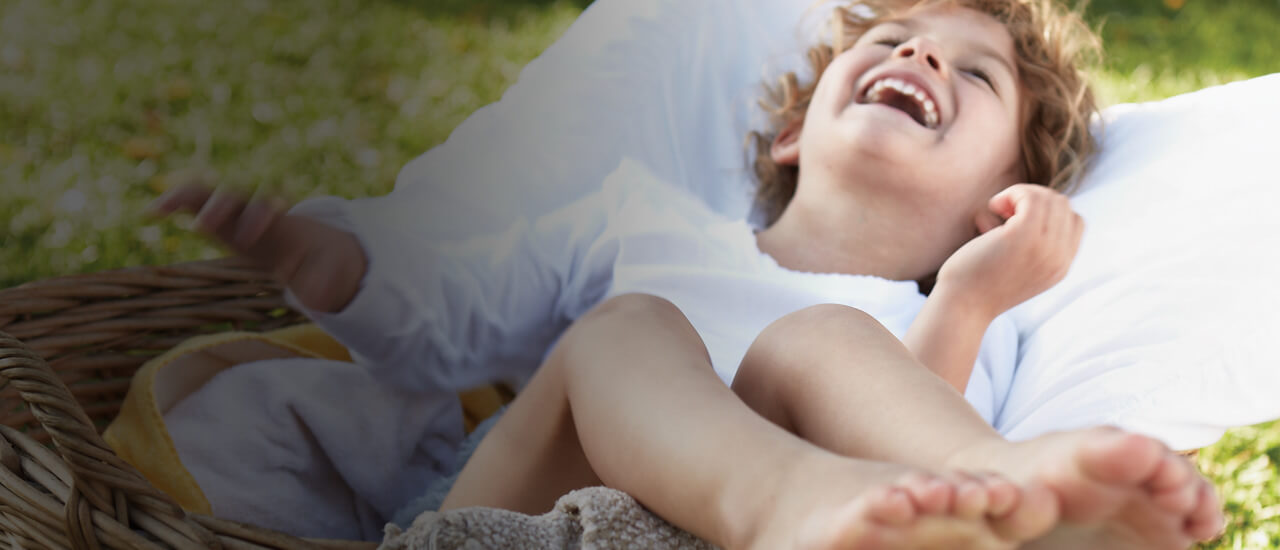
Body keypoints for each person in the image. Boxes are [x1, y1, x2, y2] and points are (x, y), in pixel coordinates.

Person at [151, 0, 1225, 548]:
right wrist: (320, 256)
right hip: (517, 526)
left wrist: (972, 298)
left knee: (827, 348)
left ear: (999, 192)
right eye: (894, 37)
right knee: (629, 329)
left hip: (813, 529)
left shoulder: (951, 314)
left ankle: (1013, 498)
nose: (922, 57)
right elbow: (440, 320)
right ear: (793, 130)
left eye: (973, 71)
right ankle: (790, 500)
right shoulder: (643, 224)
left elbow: (913, 475)